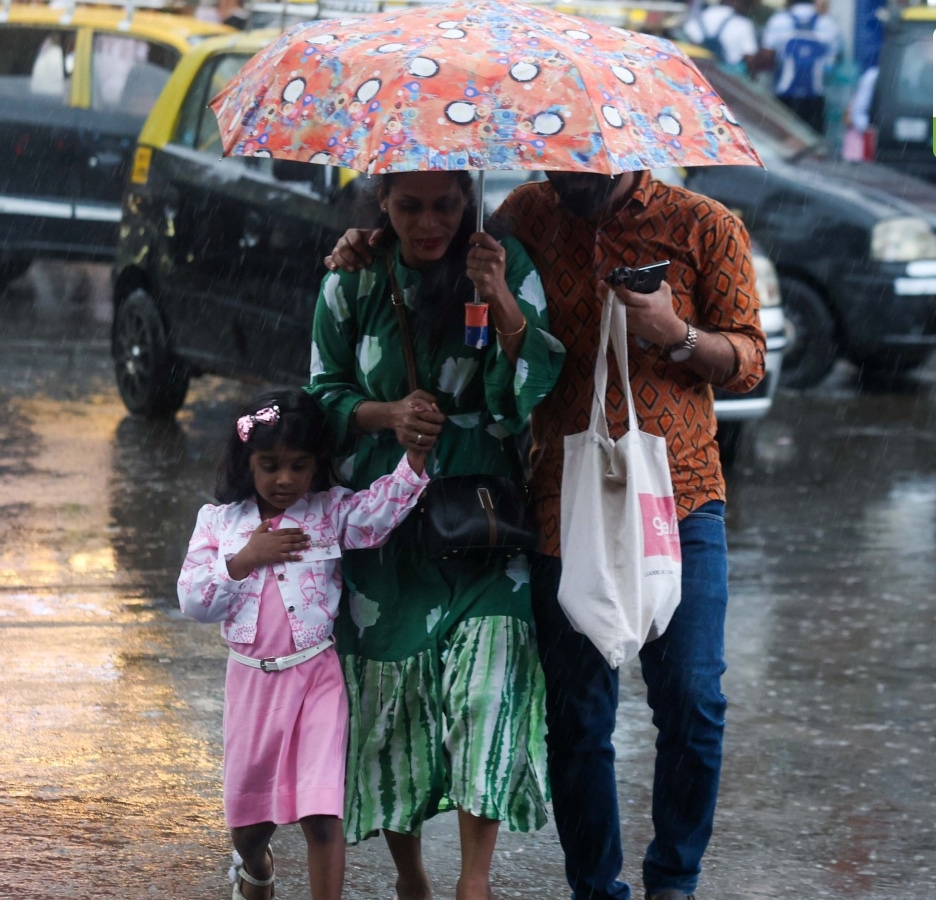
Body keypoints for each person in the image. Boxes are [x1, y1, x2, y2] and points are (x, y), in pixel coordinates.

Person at [327, 168, 766, 900]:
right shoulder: (526, 214)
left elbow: (750, 361)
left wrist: (677, 334)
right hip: (563, 499)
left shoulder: (704, 224)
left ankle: (674, 884)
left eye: (586, 163)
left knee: (693, 701)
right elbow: (447, 242)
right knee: (577, 719)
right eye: (559, 161)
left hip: (679, 497)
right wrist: (372, 239)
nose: (570, 176)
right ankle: (596, 890)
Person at [307, 170, 563, 900]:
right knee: (396, 713)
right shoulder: (351, 280)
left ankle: (473, 883)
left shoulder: (502, 263)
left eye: (446, 205)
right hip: (385, 534)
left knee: (488, 692)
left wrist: (501, 298)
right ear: (382, 205)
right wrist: (386, 415)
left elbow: (530, 393)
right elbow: (320, 395)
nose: (429, 223)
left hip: (482, 524)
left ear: (467, 201)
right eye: (410, 206)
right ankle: (410, 874)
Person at [177, 387, 431, 900]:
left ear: (317, 465)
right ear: (246, 463)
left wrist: (415, 459)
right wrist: (247, 557)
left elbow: (376, 516)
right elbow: (194, 601)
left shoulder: (328, 511)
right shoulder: (220, 523)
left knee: (321, 814)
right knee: (249, 825)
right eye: (269, 465)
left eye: (299, 466)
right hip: (252, 684)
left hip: (317, 676)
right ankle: (256, 866)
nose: (285, 479)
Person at [762, 0, 841, 132]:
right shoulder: (829, 24)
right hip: (815, 98)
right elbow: (833, 62)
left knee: (783, 140)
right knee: (812, 142)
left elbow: (767, 58)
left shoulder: (778, 21)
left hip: (784, 97)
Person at [680, 0, 763, 78]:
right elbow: (750, 58)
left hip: (691, 68)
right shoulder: (745, 25)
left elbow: (688, 33)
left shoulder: (711, 12)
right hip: (721, 78)